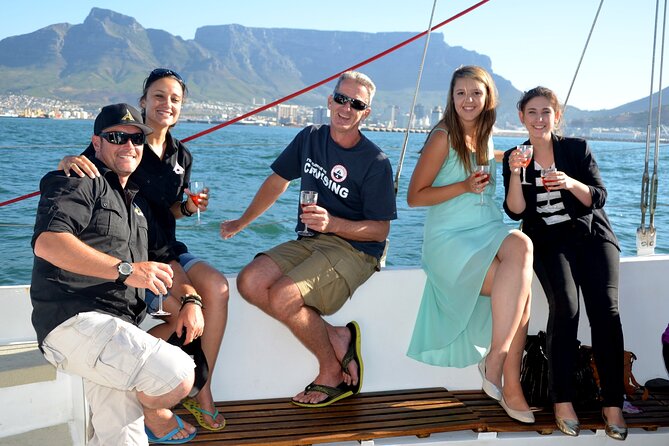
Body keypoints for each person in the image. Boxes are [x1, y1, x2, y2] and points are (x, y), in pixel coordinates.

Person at [57, 68, 228, 431]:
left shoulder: (181, 155)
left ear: (182, 107)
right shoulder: (124, 140)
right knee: (187, 309)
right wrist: (64, 162)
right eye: (159, 96)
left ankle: (202, 390)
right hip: (134, 251)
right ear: (144, 101)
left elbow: (168, 211)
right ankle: (152, 389)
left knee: (217, 288)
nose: (167, 104)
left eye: (175, 99)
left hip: (167, 245)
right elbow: (85, 170)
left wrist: (190, 208)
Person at [220, 71, 397, 407]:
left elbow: (380, 230)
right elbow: (277, 181)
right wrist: (242, 222)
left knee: (284, 297)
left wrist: (332, 223)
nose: (346, 108)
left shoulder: (375, 162)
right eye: (341, 99)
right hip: (312, 240)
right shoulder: (310, 138)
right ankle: (337, 335)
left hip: (356, 250)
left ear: (366, 113)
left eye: (356, 104)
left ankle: (331, 372)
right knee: (250, 281)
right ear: (330, 101)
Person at [31, 103, 201, 444]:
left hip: (115, 331)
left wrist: (191, 299)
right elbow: (49, 243)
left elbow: (165, 259)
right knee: (178, 374)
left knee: (120, 436)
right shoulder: (79, 180)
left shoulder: (136, 207)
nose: (129, 146)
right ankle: (155, 412)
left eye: (137, 140)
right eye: (116, 137)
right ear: (97, 144)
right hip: (76, 322)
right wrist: (126, 271)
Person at [406, 65, 534, 423]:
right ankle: (510, 385)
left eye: (475, 93)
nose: (468, 100)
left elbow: (485, 170)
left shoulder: (485, 133)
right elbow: (414, 197)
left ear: (487, 97)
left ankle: (496, 361)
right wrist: (463, 186)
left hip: (486, 227)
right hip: (450, 239)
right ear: (452, 97)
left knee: (523, 245)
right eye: (461, 93)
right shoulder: (442, 137)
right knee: (521, 295)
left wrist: (510, 161)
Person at [503, 86, 626, 440]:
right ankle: (562, 401)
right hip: (549, 243)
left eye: (546, 112)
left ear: (557, 116)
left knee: (605, 311)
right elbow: (515, 211)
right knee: (566, 308)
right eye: (532, 113)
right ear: (522, 118)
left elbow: (598, 196)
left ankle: (612, 403)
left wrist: (570, 182)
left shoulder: (576, 149)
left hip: (592, 237)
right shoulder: (515, 155)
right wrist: (514, 173)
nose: (539, 119)